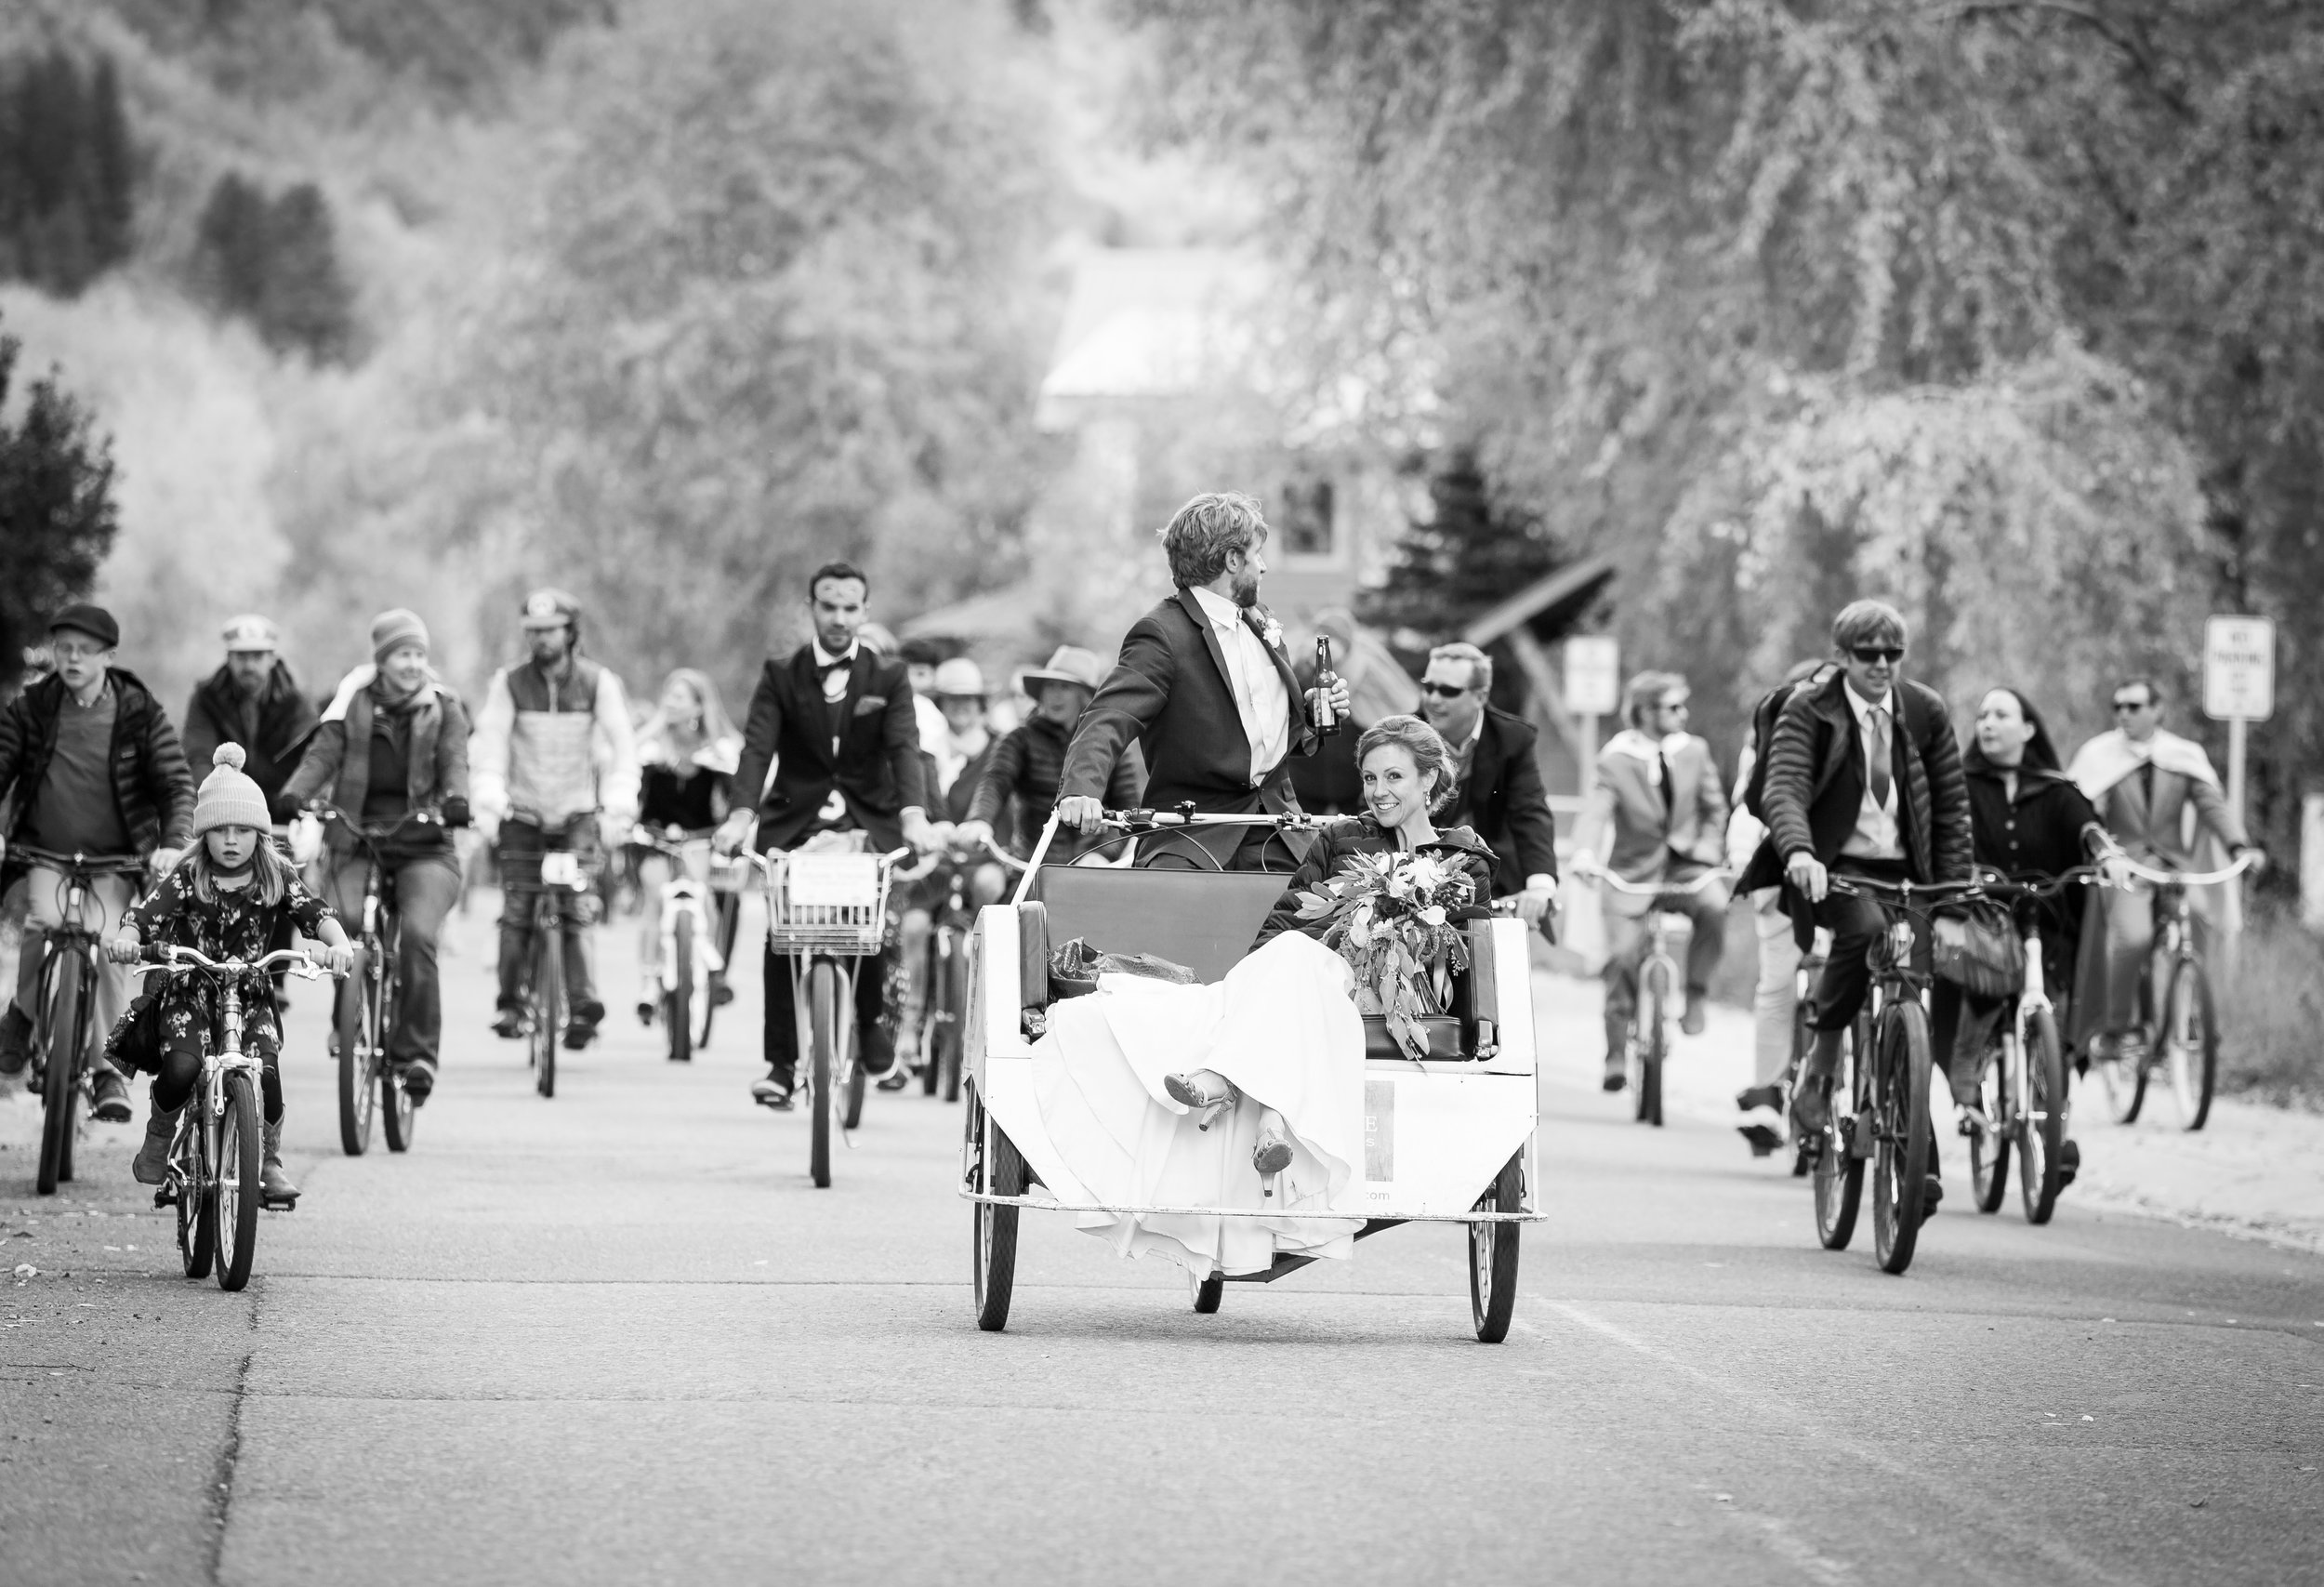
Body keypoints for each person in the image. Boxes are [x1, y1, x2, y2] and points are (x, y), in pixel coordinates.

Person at [1016, 715, 1492, 1281]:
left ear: (1429, 780)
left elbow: (1466, 948)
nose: (1379, 792)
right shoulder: (1339, 839)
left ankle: (1220, 1082)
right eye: (1369, 778)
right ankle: (1270, 1127)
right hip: (1312, 983)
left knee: (1299, 958)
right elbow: (1280, 929)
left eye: (1394, 777)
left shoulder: (1463, 857)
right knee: (1295, 951)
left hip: (1398, 998)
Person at [1742, 601, 1973, 1214]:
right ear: (1843, 656)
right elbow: (1783, 788)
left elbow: (1951, 807)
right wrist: (1798, 852)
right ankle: (1819, 1064)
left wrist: (1950, 900)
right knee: (1865, 930)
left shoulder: (1924, 711)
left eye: (1892, 653)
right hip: (1831, 869)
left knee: (1909, 1001)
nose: (1881, 664)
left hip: (1908, 875)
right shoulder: (1809, 708)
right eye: (1867, 653)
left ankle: (1916, 1159)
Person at [715, 562, 940, 1109]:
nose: (839, 618)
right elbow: (756, 750)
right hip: (796, 822)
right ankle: (780, 1065)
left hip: (868, 821)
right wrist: (741, 814)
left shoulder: (888, 677)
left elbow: (903, 751)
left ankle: (871, 1032)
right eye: (828, 606)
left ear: (865, 612)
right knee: (782, 936)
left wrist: (913, 814)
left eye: (849, 608)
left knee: (867, 932)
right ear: (811, 609)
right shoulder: (780, 674)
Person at [1056, 492, 1351, 872]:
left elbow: (1254, 724)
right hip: (1193, 835)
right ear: (1232, 560)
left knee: (1334, 912)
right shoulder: (1161, 633)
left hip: (1279, 831)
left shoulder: (1262, 620)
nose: (1263, 567)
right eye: (1256, 554)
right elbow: (1107, 715)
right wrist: (1081, 788)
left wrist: (1309, 715)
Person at [108, 747, 354, 1201]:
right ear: (204, 835)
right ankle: (161, 1133)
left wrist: (336, 943)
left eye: (242, 830)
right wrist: (128, 935)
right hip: (191, 993)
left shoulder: (275, 875)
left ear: (259, 833)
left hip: (252, 995)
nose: (231, 839)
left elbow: (314, 912)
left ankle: (270, 1161)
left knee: (269, 1070)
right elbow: (147, 914)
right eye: (220, 830)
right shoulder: (188, 875)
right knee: (182, 1066)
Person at [0, 604, 195, 1122]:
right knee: (42, 922)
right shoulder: (34, 707)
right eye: (63, 648)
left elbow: (176, 784)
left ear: (108, 656)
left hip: (116, 859)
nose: (71, 659)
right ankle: (22, 1015)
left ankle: (108, 1066)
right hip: (43, 852)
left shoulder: (139, 712)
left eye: (84, 651)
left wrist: (173, 841)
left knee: (111, 944)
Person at [1932, 687, 2120, 1186]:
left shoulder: (2058, 789)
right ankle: (1966, 1082)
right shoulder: (1959, 785)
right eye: (1981, 715)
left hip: (2048, 925)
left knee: (2053, 1009)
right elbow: (1943, 832)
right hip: (1982, 925)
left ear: (2029, 728)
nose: (1988, 724)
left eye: (2001, 714)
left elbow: (2088, 829)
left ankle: (2049, 1124)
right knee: (1984, 985)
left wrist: (2107, 855)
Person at [281, 611, 471, 1102]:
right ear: (382, 660)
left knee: (419, 938)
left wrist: (455, 800)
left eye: (419, 655)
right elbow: (323, 754)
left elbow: (454, 759)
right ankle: (349, 1020)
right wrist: (295, 792)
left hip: (426, 845)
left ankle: (416, 1055)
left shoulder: (445, 708)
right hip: (357, 838)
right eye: (403, 654)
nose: (413, 664)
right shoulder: (353, 704)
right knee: (342, 925)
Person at [470, 589, 639, 1050]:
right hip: (521, 812)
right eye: (533, 632)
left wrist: (618, 801)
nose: (541, 639)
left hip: (577, 814)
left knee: (575, 908)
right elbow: (491, 744)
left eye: (550, 630)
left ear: (570, 632)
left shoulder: (598, 682)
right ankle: (510, 1003)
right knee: (518, 910)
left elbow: (623, 747)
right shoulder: (509, 683)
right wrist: (489, 794)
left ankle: (583, 1006)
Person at [2066, 676, 2265, 1062]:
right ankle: (2116, 1027)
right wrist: (2104, 850)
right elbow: (2087, 807)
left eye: (2134, 706)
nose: (2124, 714)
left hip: (2174, 866)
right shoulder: (2101, 755)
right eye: (2118, 706)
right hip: (2128, 867)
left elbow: (2211, 805)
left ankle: (2189, 1013)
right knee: (2133, 938)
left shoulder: (2182, 755)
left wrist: (2240, 846)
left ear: (2158, 710)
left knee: (2199, 923)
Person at [1570, 670, 1729, 1087]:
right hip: (1630, 872)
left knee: (1715, 905)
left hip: (1686, 866)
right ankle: (1616, 1053)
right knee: (1622, 956)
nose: (1684, 713)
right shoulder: (1615, 759)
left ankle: (1695, 994)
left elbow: (1715, 810)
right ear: (1644, 711)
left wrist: (1710, 852)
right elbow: (1596, 811)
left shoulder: (1694, 751)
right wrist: (1585, 853)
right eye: (1674, 706)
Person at [1727, 659, 1834, 1151]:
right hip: (1781, 876)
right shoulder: (1772, 739)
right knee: (1777, 984)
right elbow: (1750, 807)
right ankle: (1768, 1095)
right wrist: (1742, 857)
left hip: (1845, 877)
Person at [956, 647, 1142, 866]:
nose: (1055, 694)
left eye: (1065, 687)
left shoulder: (1110, 745)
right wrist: (980, 821)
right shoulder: (1019, 738)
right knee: (987, 885)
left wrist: (1101, 854)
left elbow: (1128, 812)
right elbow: (996, 781)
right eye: (1050, 686)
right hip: (1029, 862)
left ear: (1084, 697)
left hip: (1092, 863)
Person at [1417, 641, 1558, 926]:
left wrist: (1540, 884)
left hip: (1496, 884)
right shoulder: (1403, 735)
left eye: (1448, 690)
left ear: (1480, 696)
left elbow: (1529, 812)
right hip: (1419, 881)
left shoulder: (1513, 739)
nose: (1433, 698)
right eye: (1429, 686)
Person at [632, 668, 742, 1026]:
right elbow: (629, 783)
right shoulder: (649, 747)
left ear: (698, 706)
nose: (671, 703)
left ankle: (712, 966)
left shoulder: (717, 752)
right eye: (669, 695)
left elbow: (735, 798)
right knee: (653, 895)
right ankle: (649, 981)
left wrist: (734, 829)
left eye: (680, 697)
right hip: (654, 836)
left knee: (706, 896)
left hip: (699, 838)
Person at [181, 615, 319, 815]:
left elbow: (310, 756)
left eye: (257, 657)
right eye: (241, 657)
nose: (249, 666)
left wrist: (294, 794)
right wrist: (210, 797)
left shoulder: (296, 702)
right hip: (224, 806)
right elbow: (199, 755)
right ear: (228, 658)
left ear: (272, 659)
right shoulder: (206, 698)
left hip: (281, 810)